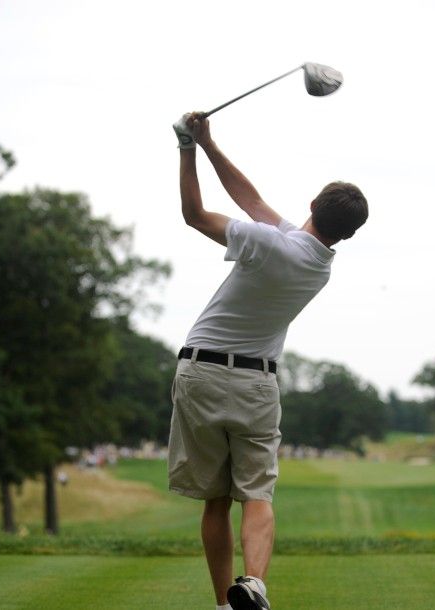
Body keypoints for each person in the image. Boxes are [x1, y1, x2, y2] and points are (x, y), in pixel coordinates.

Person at [170, 112, 368, 610]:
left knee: (216, 500)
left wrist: (187, 147)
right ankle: (253, 584)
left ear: (310, 205)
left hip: (202, 372)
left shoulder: (264, 242)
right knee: (257, 494)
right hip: (258, 385)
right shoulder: (318, 265)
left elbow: (195, 214)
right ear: (346, 234)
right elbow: (252, 201)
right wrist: (210, 143)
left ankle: (223, 605)